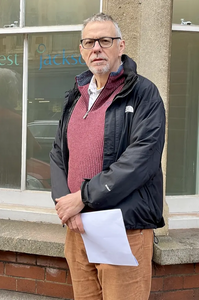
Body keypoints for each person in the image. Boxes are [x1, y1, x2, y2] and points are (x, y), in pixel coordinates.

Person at [50, 13, 165, 300]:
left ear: (121, 46)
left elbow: (141, 159)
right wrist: (66, 203)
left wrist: (83, 197)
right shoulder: (75, 96)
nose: (96, 48)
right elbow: (57, 154)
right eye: (89, 42)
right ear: (81, 49)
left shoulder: (143, 94)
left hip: (124, 228)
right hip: (79, 229)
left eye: (105, 40)